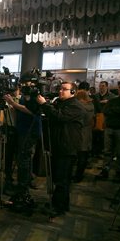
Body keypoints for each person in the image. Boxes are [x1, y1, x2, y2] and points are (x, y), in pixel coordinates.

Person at [37, 82, 85, 218]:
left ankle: (59, 208)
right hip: (59, 146)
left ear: (73, 92)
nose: (61, 91)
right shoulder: (61, 103)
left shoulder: (76, 106)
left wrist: (44, 105)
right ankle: (59, 204)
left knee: (62, 179)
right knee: (58, 178)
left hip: (67, 148)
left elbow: (60, 116)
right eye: (60, 89)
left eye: (65, 89)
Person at [99, 81, 120, 182]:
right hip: (110, 128)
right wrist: (119, 112)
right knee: (107, 151)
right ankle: (105, 170)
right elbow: (106, 111)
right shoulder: (113, 100)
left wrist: (115, 111)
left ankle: (119, 172)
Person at [73, 89, 94, 183]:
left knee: (79, 156)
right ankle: (79, 175)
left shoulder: (79, 107)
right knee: (83, 156)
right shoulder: (91, 105)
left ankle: (77, 176)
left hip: (79, 133)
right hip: (88, 132)